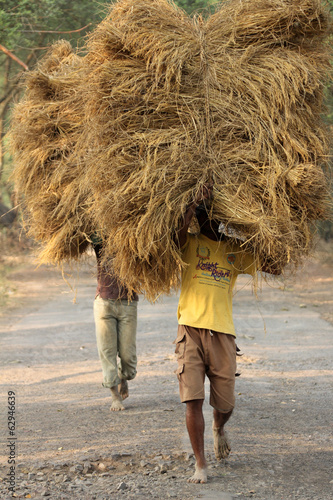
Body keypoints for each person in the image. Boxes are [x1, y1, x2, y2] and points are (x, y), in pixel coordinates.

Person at [174, 187, 278, 484]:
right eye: (203, 215)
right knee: (192, 400)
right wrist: (192, 202)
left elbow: (275, 266)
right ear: (196, 218)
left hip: (223, 334)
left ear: (223, 219)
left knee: (225, 404)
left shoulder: (235, 249)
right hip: (190, 330)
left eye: (214, 216)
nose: (208, 221)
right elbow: (177, 234)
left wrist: (261, 231)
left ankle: (219, 428)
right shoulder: (189, 243)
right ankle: (200, 463)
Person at [92, 238, 138, 411]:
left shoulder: (134, 236)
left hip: (128, 303)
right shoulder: (100, 240)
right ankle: (114, 396)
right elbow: (87, 232)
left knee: (128, 358)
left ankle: (123, 376)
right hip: (104, 303)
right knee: (107, 351)